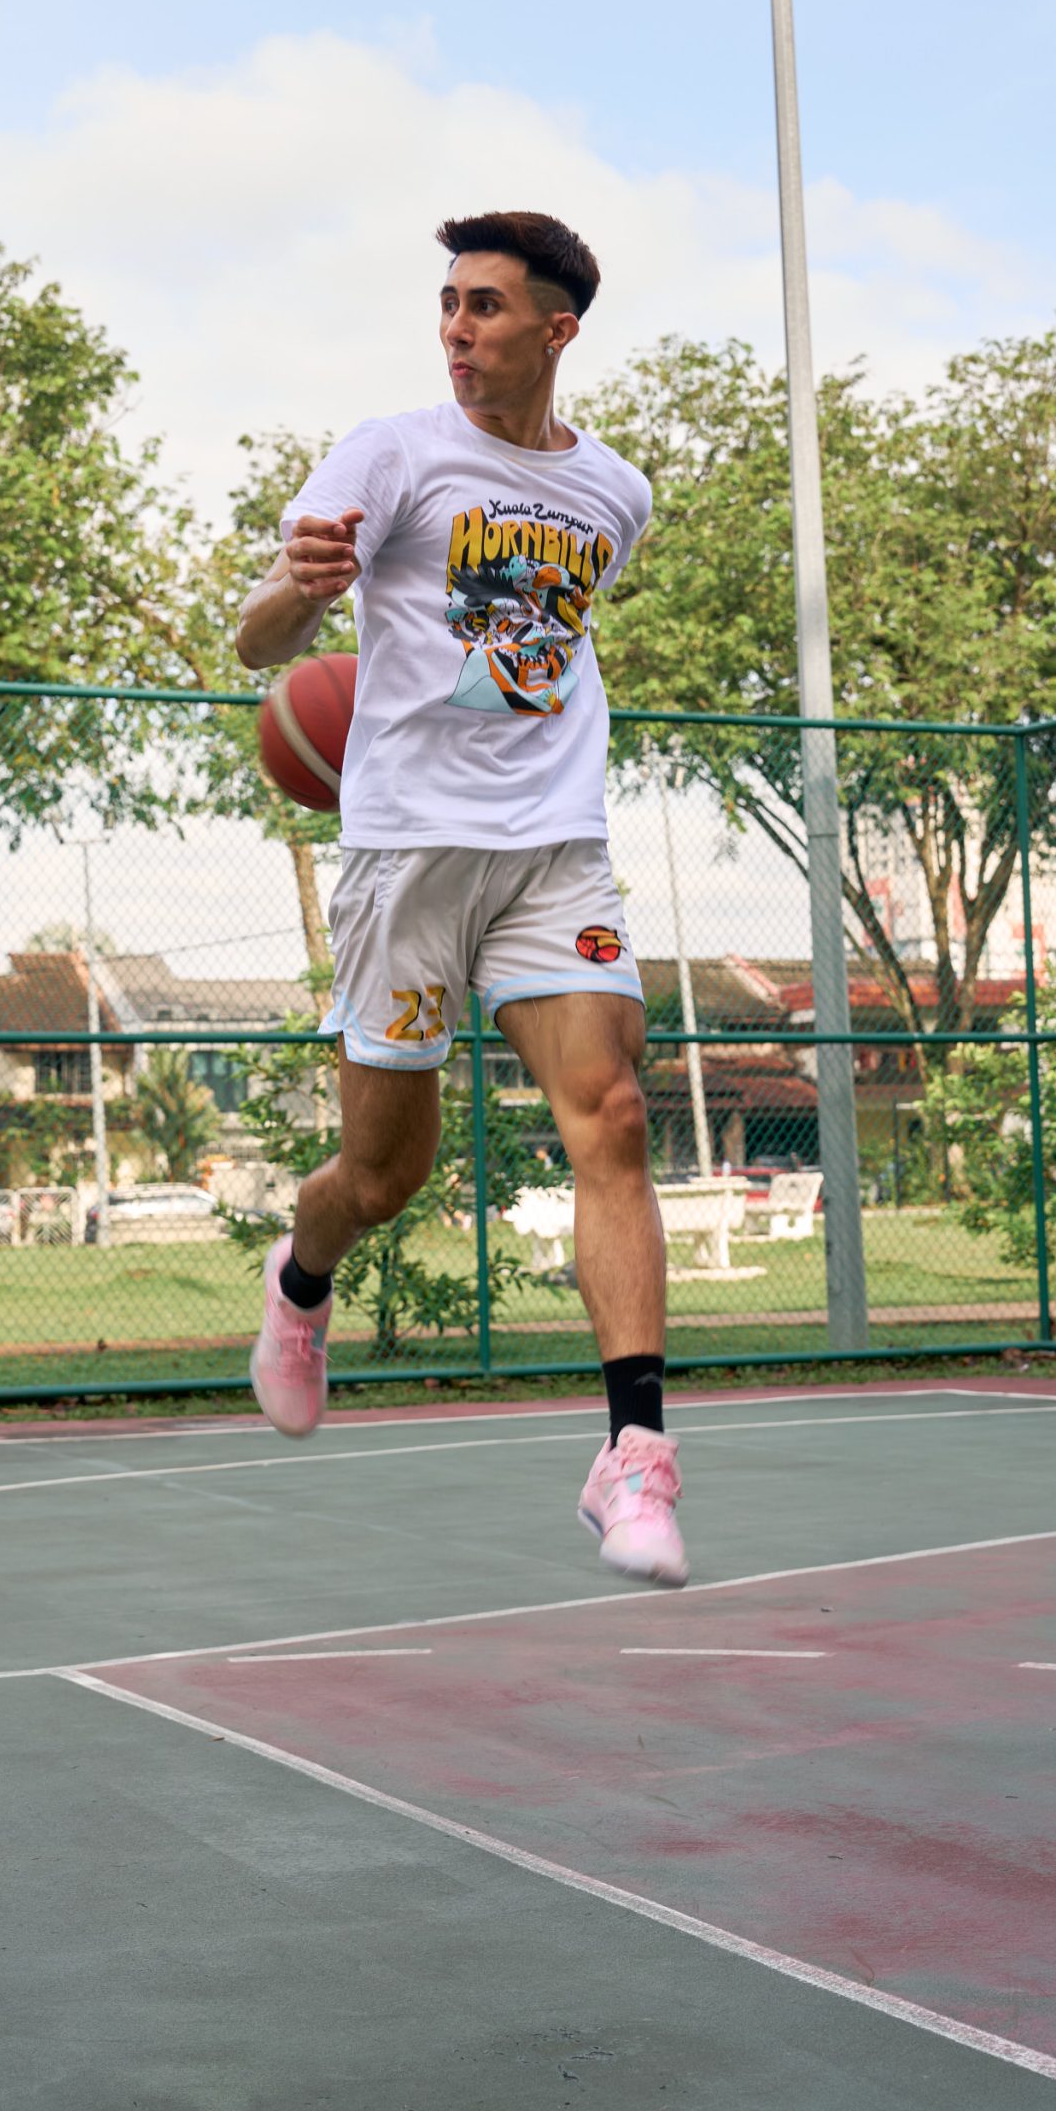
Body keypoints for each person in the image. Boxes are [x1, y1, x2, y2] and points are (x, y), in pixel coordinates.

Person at [235, 209, 685, 1586]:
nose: (457, 328)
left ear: (557, 328)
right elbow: (258, 639)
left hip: (553, 844)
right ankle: (301, 1280)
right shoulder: (392, 453)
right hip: (407, 853)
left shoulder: (615, 494)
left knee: (613, 1114)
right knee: (386, 1176)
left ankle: (634, 1458)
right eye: (448, 304)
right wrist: (302, 593)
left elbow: (548, 643)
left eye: (485, 305)